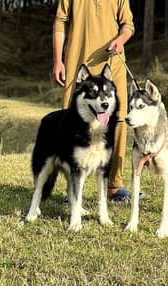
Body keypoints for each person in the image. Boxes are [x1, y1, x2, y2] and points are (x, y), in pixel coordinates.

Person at [53, 0, 135, 201]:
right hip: (77, 65)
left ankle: (114, 186)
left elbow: (128, 25)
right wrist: (58, 61)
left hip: (112, 64)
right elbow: (60, 21)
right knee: (71, 124)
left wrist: (121, 39)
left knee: (118, 122)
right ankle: (73, 189)